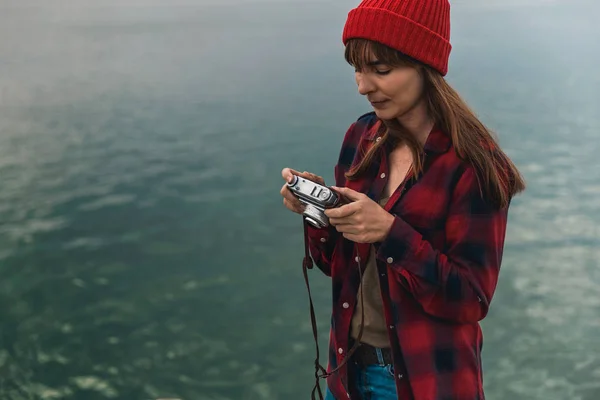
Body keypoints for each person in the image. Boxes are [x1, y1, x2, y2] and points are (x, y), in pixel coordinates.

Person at [280, 0, 525, 399]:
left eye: (381, 70)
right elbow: (334, 265)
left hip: (424, 381)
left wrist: (390, 232)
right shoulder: (361, 139)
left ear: (425, 66)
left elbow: (471, 300)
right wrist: (317, 213)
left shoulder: (474, 165)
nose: (363, 85)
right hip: (344, 374)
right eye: (357, 69)